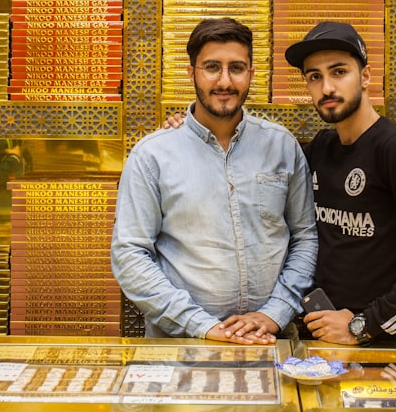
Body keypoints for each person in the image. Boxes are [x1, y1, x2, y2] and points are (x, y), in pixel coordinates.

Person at [111, 17, 318, 344]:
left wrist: (275, 313)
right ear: (191, 73)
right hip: (182, 345)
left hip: (270, 342)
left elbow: (305, 237)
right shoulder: (153, 155)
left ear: (251, 73)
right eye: (212, 67)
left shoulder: (281, 146)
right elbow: (130, 255)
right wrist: (201, 325)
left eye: (236, 68)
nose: (225, 81)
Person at [285, 21, 396, 344]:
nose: (326, 88)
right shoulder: (320, 150)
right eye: (315, 77)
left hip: (384, 345)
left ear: (365, 77)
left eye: (339, 72)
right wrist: (191, 128)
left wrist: (363, 325)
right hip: (322, 342)